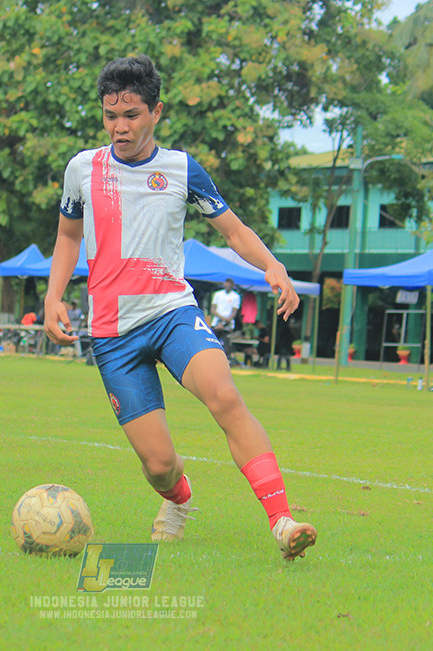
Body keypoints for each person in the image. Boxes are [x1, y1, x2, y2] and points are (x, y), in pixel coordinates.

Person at [43, 55, 316, 560]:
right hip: (111, 333)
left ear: (156, 112)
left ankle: (281, 519)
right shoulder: (82, 168)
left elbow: (233, 230)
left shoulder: (182, 169)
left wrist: (272, 266)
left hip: (172, 312)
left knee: (225, 397)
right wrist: (53, 294)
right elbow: (67, 234)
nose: (119, 127)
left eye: (132, 115)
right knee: (159, 465)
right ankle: (179, 498)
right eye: (110, 116)